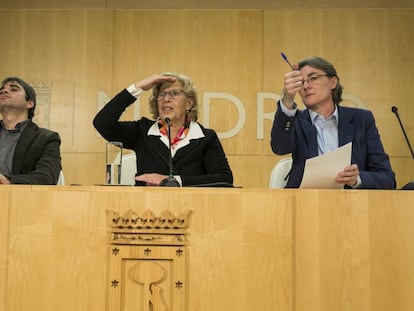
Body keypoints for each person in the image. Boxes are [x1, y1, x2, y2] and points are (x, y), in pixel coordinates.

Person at [270, 56, 395, 189]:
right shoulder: (295, 120)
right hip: (304, 202)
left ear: (333, 82)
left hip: (352, 203)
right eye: (301, 82)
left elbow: (387, 179)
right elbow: (280, 147)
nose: (306, 86)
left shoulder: (362, 120)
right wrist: (287, 99)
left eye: (313, 78)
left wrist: (356, 179)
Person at [93, 72, 233, 187]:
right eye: (161, 94)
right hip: (145, 212)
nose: (166, 99)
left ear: (189, 104)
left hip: (191, 211)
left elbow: (224, 179)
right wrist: (138, 87)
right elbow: (102, 123)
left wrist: (174, 181)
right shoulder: (142, 131)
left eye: (174, 93)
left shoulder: (205, 138)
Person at [0, 77, 62, 184]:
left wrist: (7, 181)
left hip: (21, 198)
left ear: (29, 103)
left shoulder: (47, 138)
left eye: (13, 89)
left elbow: (46, 178)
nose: (4, 91)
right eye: (1, 90)